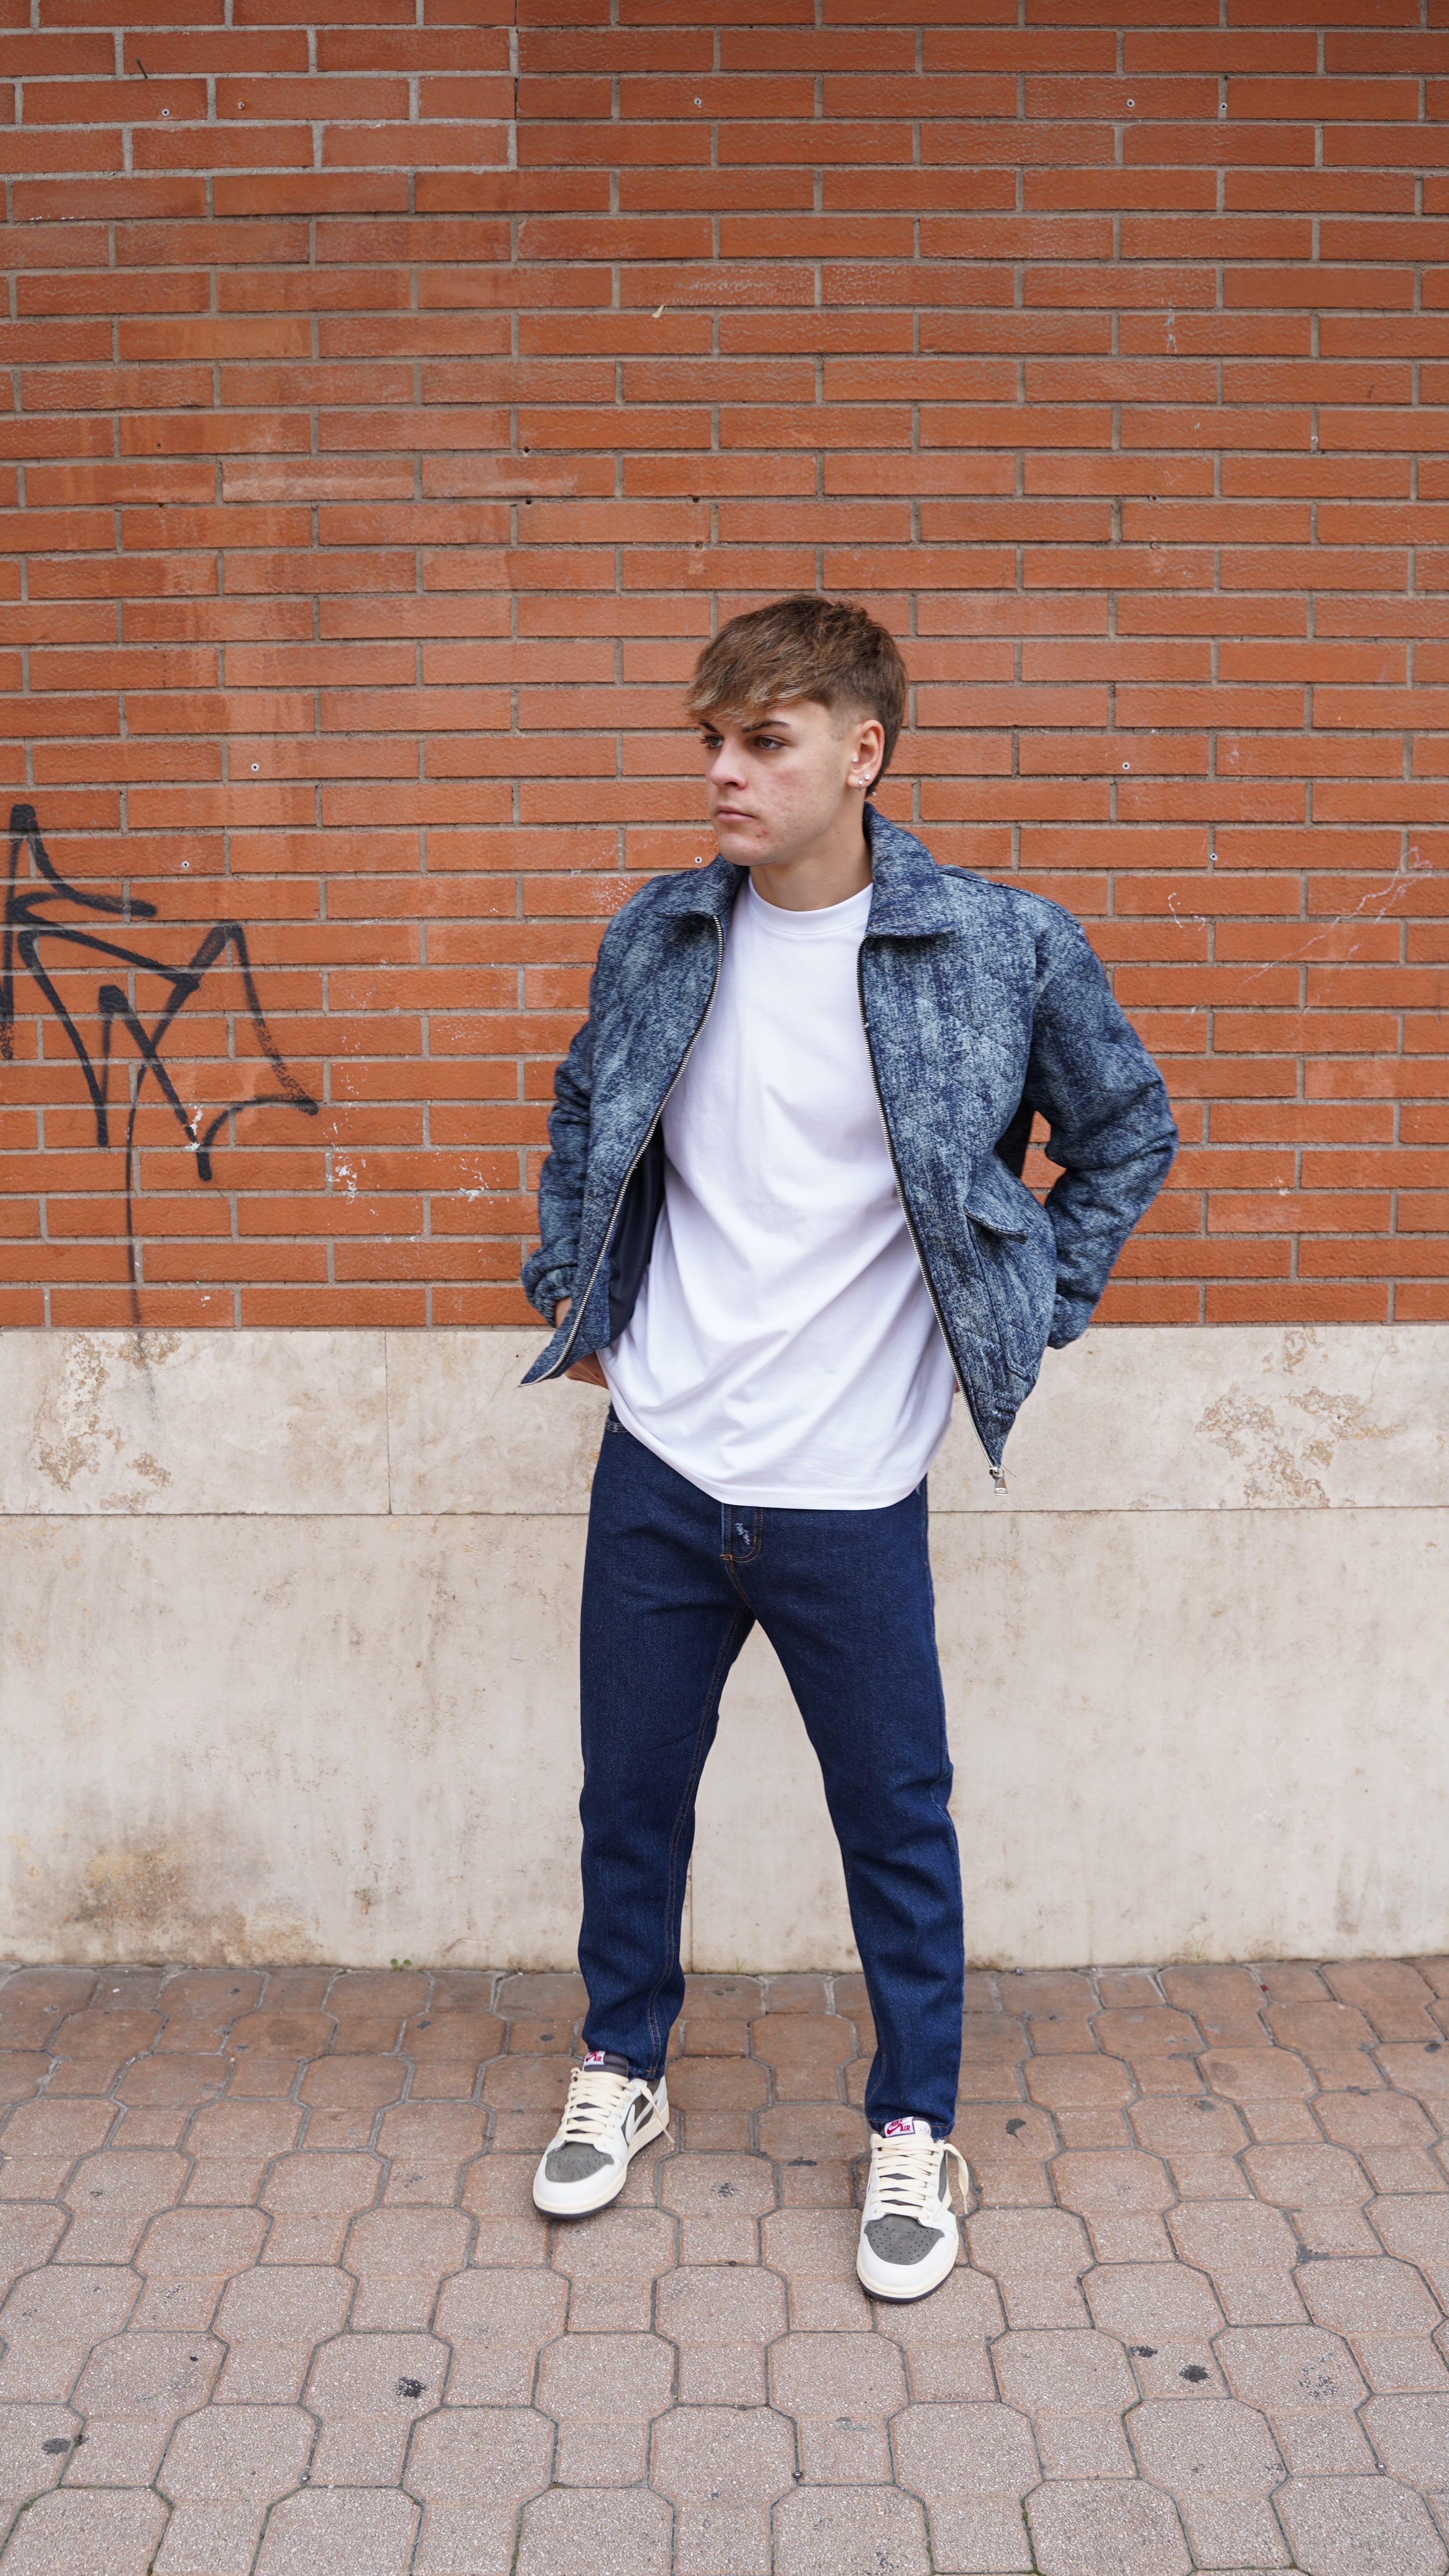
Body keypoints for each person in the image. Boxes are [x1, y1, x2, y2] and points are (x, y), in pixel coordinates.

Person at [520, 595, 1176, 2302]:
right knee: (630, 1799)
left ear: (863, 752)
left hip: (850, 1487)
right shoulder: (664, 933)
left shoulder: (998, 944)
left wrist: (1031, 1304)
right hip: (663, 1462)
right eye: (713, 743)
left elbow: (1126, 1128)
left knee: (894, 1820)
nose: (724, 775)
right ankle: (621, 2065)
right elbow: (585, 1109)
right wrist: (579, 1294)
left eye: (765, 742)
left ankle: (912, 2123)